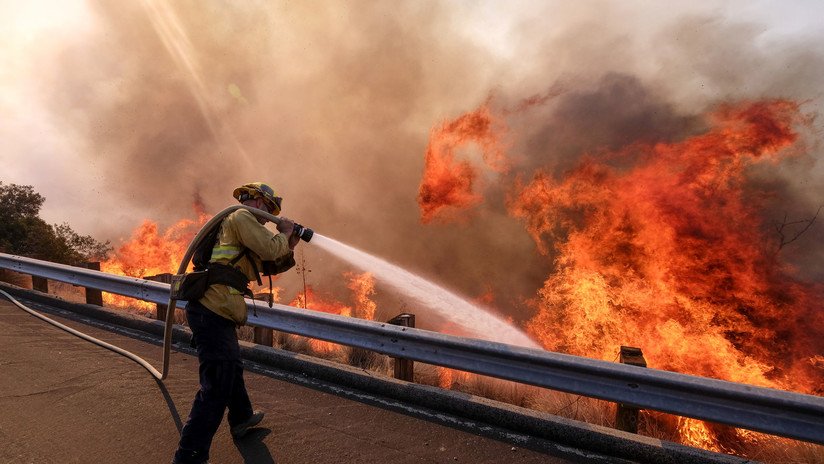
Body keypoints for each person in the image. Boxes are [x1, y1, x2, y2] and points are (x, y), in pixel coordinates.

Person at [173, 182, 300, 464]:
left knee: (232, 366)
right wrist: (286, 232)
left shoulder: (244, 227)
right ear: (255, 200)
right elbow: (268, 249)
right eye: (267, 208)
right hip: (212, 309)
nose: (268, 215)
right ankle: (189, 455)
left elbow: (268, 263)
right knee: (216, 386)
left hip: (216, 309)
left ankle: (241, 418)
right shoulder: (241, 216)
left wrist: (288, 245)